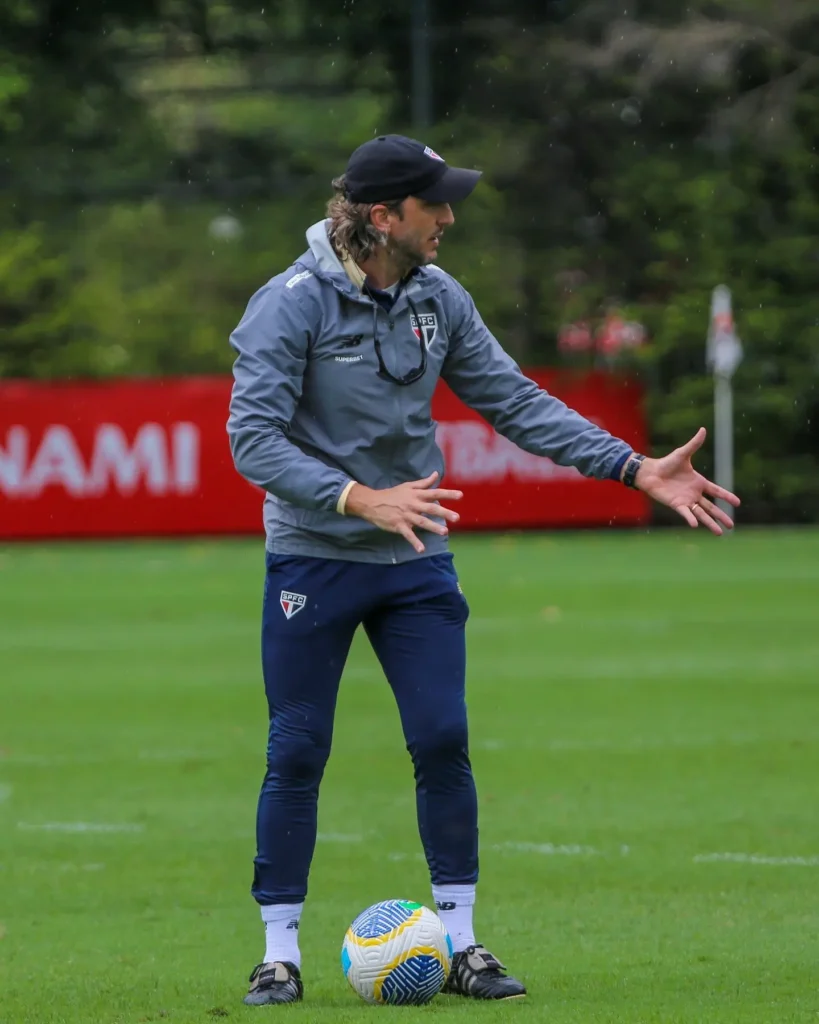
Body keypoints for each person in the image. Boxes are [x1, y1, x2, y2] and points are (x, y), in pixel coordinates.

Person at [227, 134, 740, 1006]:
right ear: (384, 216)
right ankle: (278, 954)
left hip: (417, 560)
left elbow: (513, 400)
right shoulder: (289, 305)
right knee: (298, 749)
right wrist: (358, 497)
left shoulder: (438, 298)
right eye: (434, 205)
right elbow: (252, 439)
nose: (449, 218)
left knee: (441, 738)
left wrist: (631, 467)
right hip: (314, 556)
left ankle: (461, 943)